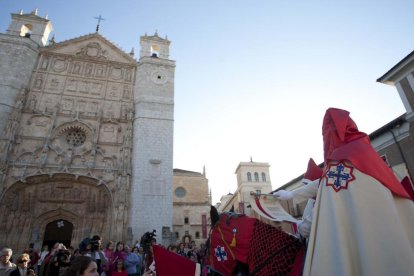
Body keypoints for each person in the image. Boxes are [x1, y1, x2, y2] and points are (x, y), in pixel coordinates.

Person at [303, 108, 414, 275]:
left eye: (326, 131)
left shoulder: (336, 166)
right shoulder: (370, 156)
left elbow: (327, 217)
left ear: (332, 132)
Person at [273, 158, 322, 238]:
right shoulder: (311, 200)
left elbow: (306, 229)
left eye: (307, 185)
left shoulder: (320, 201)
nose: (306, 188)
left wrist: (298, 224)